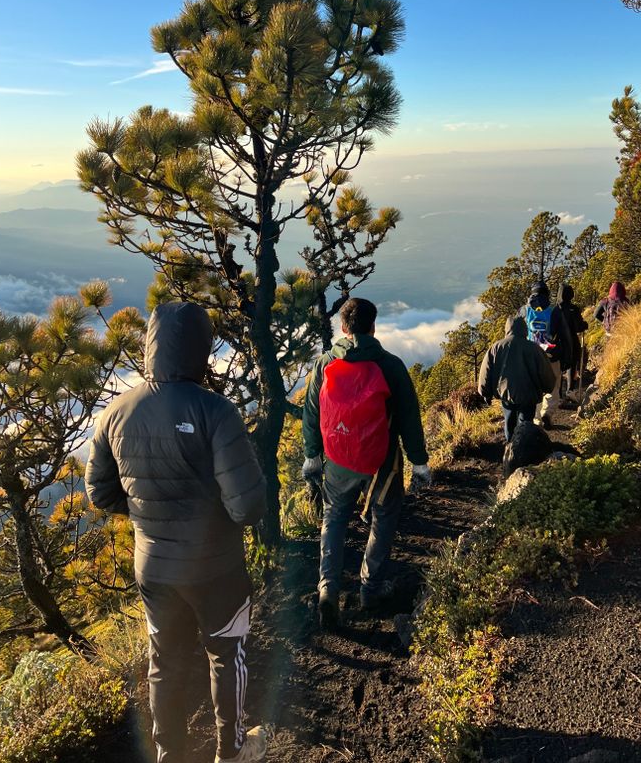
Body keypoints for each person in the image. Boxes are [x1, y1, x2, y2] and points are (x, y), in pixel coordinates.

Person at [85, 301, 268, 763]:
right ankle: (233, 751)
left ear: (151, 344)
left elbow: (100, 494)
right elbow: (246, 507)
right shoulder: (216, 410)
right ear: (201, 349)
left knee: (164, 664)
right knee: (227, 656)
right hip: (217, 569)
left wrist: (152, 515)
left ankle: (171, 755)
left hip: (154, 569)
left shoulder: (115, 412)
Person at [302, 297, 430, 629]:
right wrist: (419, 463)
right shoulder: (390, 365)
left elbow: (312, 415)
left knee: (334, 518)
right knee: (384, 517)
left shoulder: (324, 363)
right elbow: (408, 419)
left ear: (343, 328)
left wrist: (311, 457)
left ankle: (327, 589)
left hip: (338, 460)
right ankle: (370, 589)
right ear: (373, 326)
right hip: (382, 463)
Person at [478, 316, 557, 442]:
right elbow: (545, 371)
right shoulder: (534, 348)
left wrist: (485, 393)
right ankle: (525, 451)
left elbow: (486, 372)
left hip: (506, 394)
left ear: (507, 329)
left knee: (509, 423)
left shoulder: (496, 347)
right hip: (529, 395)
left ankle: (511, 448)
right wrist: (548, 387)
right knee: (526, 424)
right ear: (524, 329)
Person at [519, 280, 572, 425]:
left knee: (534, 386)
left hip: (531, 355)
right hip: (551, 355)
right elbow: (564, 334)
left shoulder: (525, 310)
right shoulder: (554, 310)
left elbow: (516, 331)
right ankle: (547, 413)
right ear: (547, 293)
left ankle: (536, 419)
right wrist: (568, 356)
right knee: (552, 386)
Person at [556, 283, 589, 396]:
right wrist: (584, 325)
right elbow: (578, 327)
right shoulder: (573, 309)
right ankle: (570, 390)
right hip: (571, 341)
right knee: (571, 364)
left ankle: (558, 393)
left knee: (559, 367)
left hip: (558, 342)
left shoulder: (555, 309)